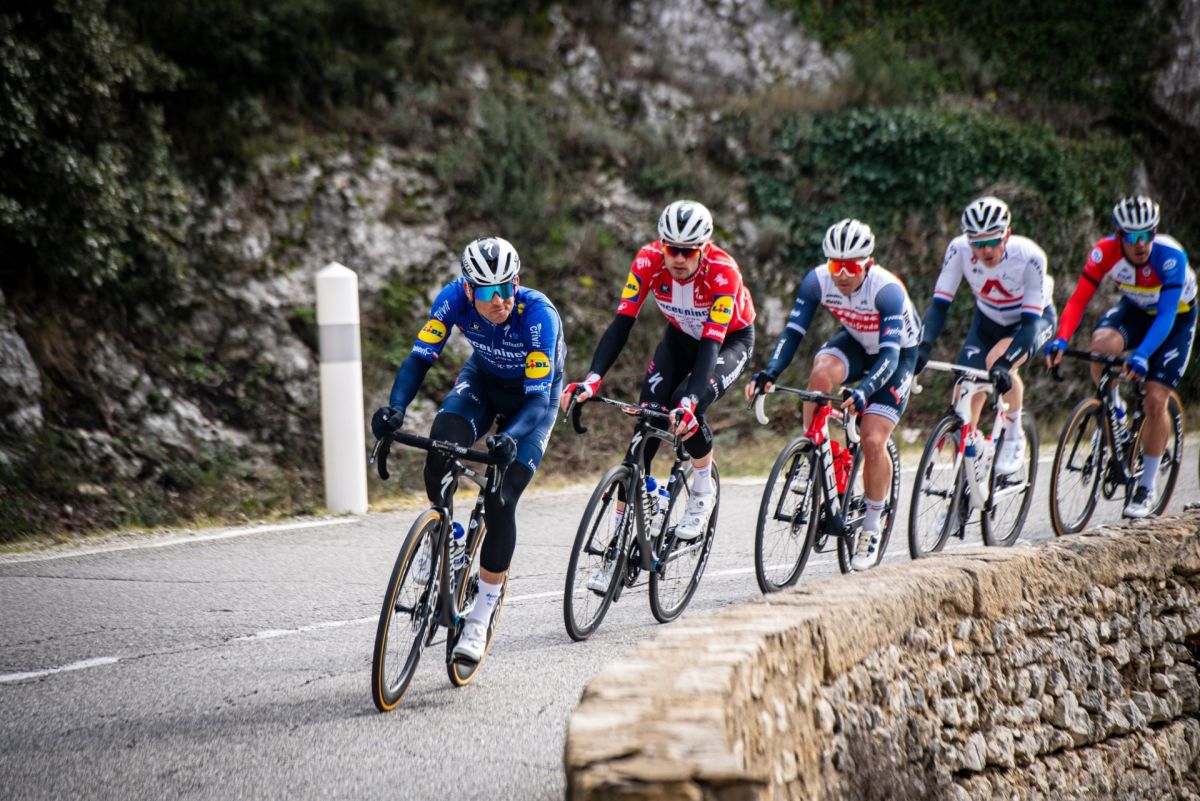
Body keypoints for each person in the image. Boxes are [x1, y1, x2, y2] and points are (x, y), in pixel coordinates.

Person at [371, 236, 564, 662]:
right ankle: (444, 535)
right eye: (489, 291)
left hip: (533, 402)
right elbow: (419, 358)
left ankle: (480, 616)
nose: (500, 300)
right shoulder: (451, 300)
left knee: (500, 498)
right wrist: (395, 408)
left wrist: (510, 437)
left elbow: (536, 400)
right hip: (483, 381)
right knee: (441, 443)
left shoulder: (538, 316)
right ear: (468, 288)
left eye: (508, 287)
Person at [561, 200, 755, 586]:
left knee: (686, 405)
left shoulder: (723, 273)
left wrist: (689, 403)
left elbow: (710, 346)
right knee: (644, 432)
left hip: (727, 342)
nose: (678, 258)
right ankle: (617, 552)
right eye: (672, 249)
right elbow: (622, 323)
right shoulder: (648, 260)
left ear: (703, 249)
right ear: (662, 244)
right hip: (679, 339)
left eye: (688, 251)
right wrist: (592, 379)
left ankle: (702, 489)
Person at [745, 218, 920, 571]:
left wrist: (865, 391)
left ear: (867, 264)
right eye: (835, 265)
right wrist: (771, 372)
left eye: (850, 267)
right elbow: (793, 332)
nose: (841, 274)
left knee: (872, 438)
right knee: (820, 373)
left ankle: (872, 524)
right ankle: (813, 452)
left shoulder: (886, 290)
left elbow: (889, 357)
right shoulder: (817, 281)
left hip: (897, 355)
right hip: (856, 342)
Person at [1045, 195, 1195, 518]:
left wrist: (1142, 355)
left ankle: (1146, 486)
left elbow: (1167, 314)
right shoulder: (1105, 252)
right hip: (1136, 309)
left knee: (1155, 398)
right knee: (1100, 346)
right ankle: (1115, 408)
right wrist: (1061, 339)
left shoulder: (1170, 256)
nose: (1140, 243)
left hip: (1176, 317)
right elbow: (1078, 300)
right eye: (1132, 236)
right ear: (1118, 235)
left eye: (1147, 234)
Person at [915, 196, 1057, 475]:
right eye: (977, 243)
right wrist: (922, 347)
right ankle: (965, 479)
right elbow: (939, 306)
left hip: (1032, 321)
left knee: (996, 361)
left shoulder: (1030, 256)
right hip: (988, 320)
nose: (986, 249)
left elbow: (1029, 325)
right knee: (963, 392)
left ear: (1007, 235)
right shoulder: (958, 250)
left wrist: (1005, 363)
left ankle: (1014, 435)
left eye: (993, 241)